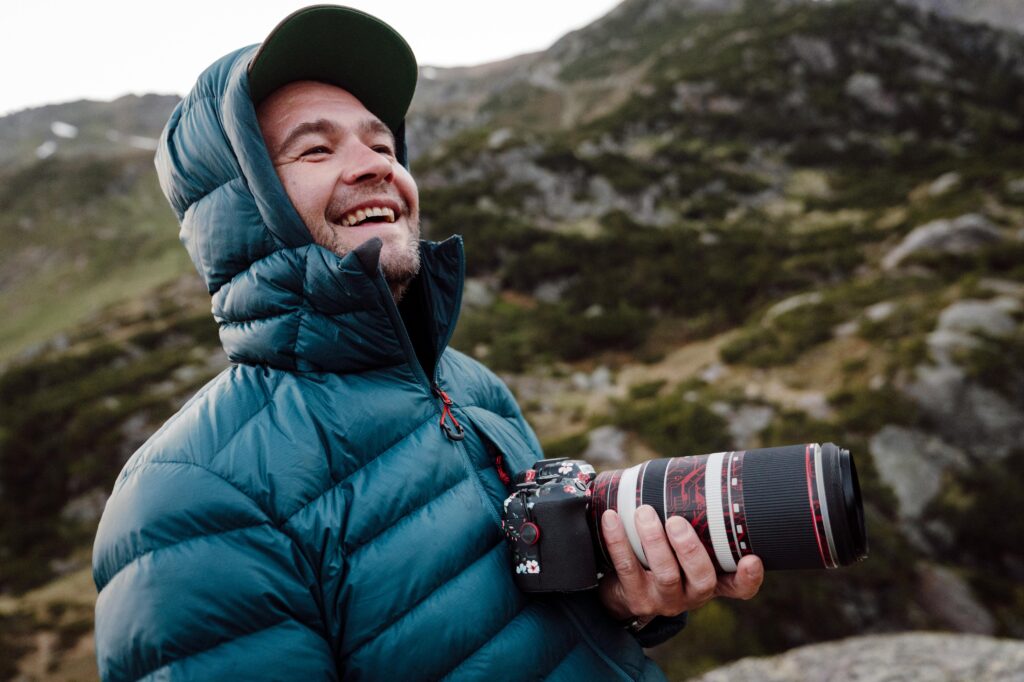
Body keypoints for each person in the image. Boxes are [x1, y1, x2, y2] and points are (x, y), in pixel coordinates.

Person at [92, 6, 763, 681]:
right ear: (243, 204)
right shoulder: (188, 495)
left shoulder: (471, 387)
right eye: (316, 150)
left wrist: (627, 604)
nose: (374, 167)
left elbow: (541, 627)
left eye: (384, 147)